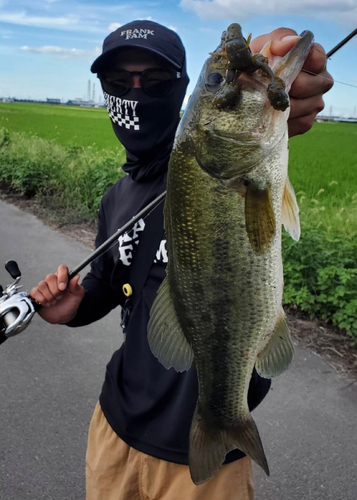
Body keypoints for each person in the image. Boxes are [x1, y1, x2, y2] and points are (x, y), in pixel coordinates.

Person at [30, 20, 333, 500]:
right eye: (118, 82)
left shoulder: (209, 165)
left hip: (203, 459)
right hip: (114, 426)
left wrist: (258, 73)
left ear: (182, 92)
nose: (135, 93)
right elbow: (111, 285)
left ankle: (225, 417)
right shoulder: (116, 199)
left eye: (153, 82)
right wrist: (77, 308)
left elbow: (260, 108)